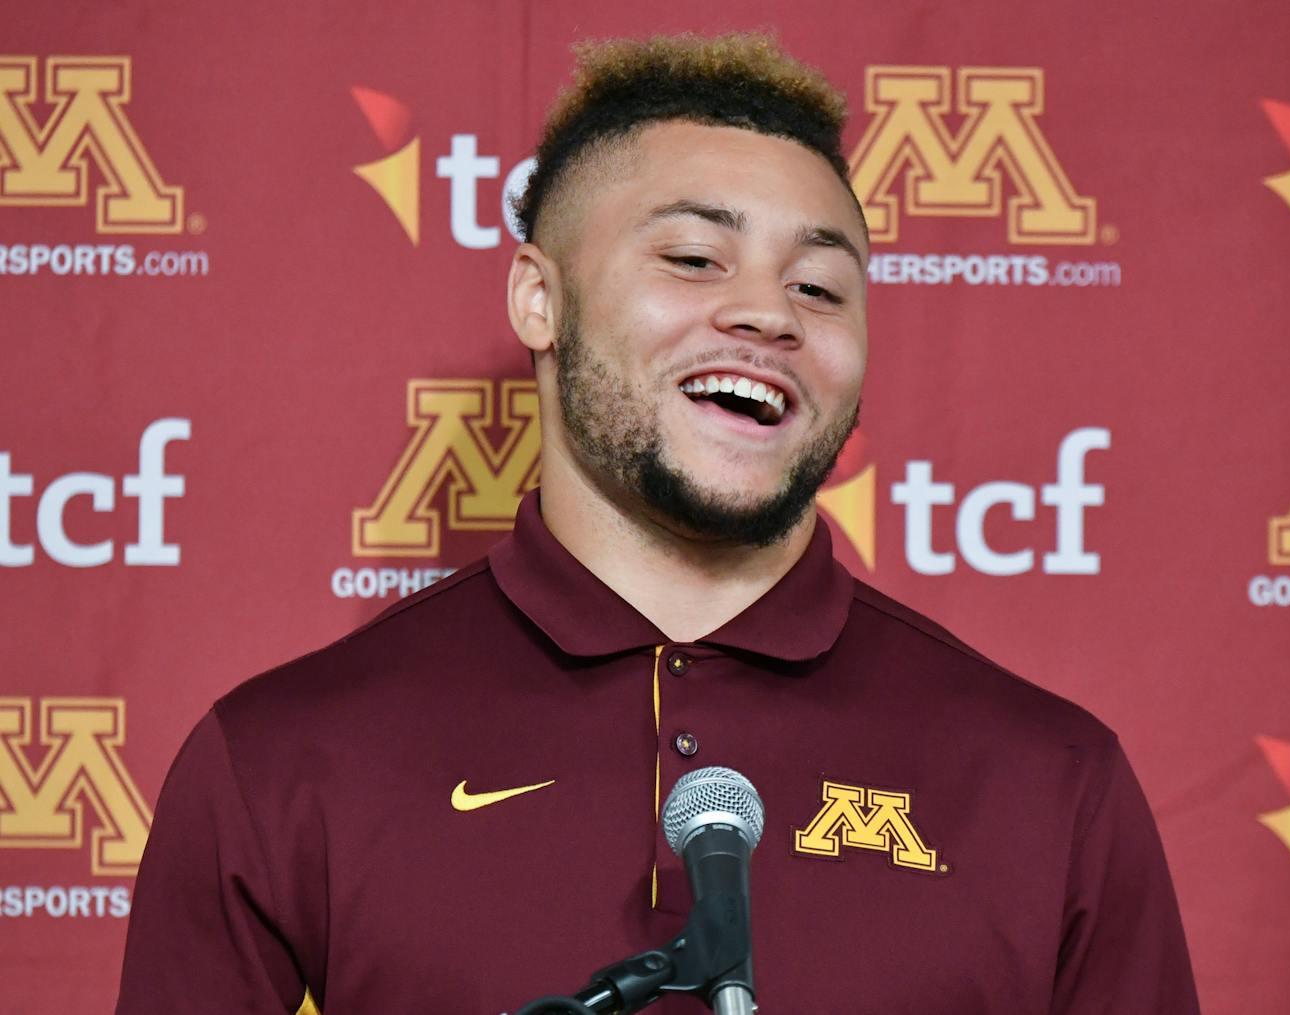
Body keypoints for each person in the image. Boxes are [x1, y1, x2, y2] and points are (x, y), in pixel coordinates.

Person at [117, 33, 1199, 1014]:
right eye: (692, 259)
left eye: (819, 286)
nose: (768, 313)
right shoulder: (281, 758)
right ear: (539, 300)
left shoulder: (1047, 779)